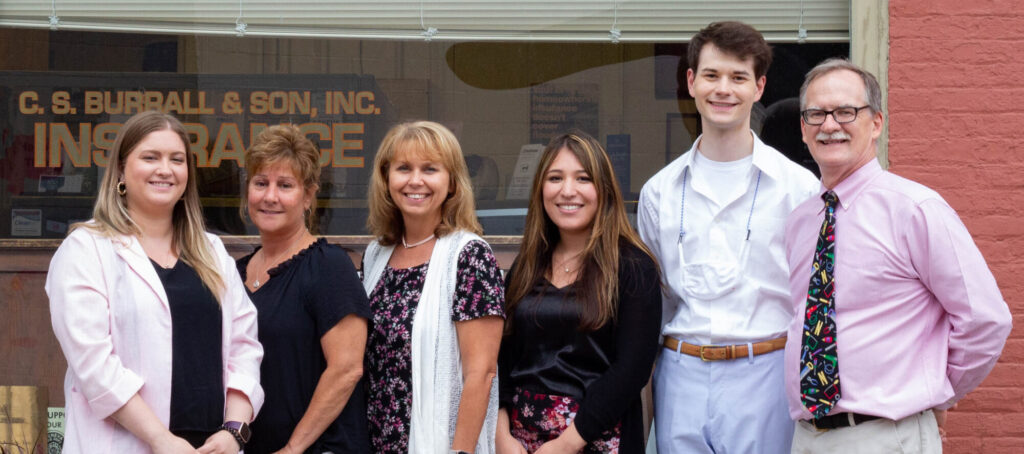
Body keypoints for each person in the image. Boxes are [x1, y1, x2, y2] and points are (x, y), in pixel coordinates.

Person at [784, 58, 1012, 453]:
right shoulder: (801, 222)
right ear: (803, 128)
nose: (830, 124)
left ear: (876, 124)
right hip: (808, 438)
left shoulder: (916, 210)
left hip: (888, 437)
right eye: (816, 113)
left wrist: (938, 392)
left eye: (845, 111)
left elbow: (985, 319)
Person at [637, 21, 819, 453]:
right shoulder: (659, 191)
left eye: (738, 78)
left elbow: (812, 298)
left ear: (759, 87)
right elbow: (654, 301)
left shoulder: (798, 188)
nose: (724, 89)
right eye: (712, 75)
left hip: (767, 371)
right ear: (691, 82)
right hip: (680, 371)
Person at [46, 110, 264, 453]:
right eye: (150, 157)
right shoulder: (86, 250)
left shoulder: (212, 251)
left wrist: (233, 432)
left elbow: (244, 348)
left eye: (177, 160)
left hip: (211, 446)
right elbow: (95, 367)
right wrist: (161, 440)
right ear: (121, 168)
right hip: (130, 444)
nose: (165, 169)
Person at [496, 131, 662, 453]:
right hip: (519, 442)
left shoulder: (632, 267)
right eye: (555, 178)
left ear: (603, 190)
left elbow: (632, 370)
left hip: (594, 439)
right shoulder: (526, 266)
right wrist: (500, 433)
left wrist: (567, 444)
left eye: (583, 178)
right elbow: (501, 357)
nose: (567, 191)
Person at [361, 121, 505, 453]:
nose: (415, 180)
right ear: (386, 179)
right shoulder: (376, 255)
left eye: (430, 169)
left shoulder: (470, 256)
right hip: (375, 441)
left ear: (452, 183)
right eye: (403, 168)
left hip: (441, 444)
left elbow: (480, 374)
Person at [236, 124, 371, 453]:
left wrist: (293, 448)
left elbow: (347, 369)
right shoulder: (235, 273)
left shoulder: (328, 266)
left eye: (285, 185)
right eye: (260, 183)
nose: (270, 196)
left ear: (308, 196)